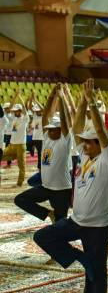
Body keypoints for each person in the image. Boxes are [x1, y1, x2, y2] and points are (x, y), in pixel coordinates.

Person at [33, 79, 108, 293]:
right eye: (85, 142)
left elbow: (101, 135)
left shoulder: (107, 159)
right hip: (77, 221)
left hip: (98, 227)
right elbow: (78, 125)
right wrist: (80, 102)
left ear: (98, 144)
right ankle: (80, 258)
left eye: (90, 142)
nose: (85, 144)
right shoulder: (84, 156)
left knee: (96, 275)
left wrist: (91, 103)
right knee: (43, 235)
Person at [15, 85, 73, 224]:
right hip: (46, 187)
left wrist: (62, 98)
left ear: (60, 130)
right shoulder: (47, 137)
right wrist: (52, 96)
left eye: (54, 129)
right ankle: (48, 213)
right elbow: (46, 116)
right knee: (20, 199)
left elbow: (65, 120)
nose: (50, 131)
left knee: (60, 223)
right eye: (49, 129)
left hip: (61, 190)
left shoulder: (64, 141)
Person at [2, 90, 29, 186]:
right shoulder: (13, 117)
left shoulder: (25, 119)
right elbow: (10, 107)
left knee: (22, 166)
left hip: (21, 146)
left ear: (20, 111)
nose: (15, 112)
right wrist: (15, 96)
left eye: (17, 110)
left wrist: (20, 98)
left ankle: (19, 183)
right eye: (15, 111)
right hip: (12, 145)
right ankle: (13, 157)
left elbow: (25, 108)